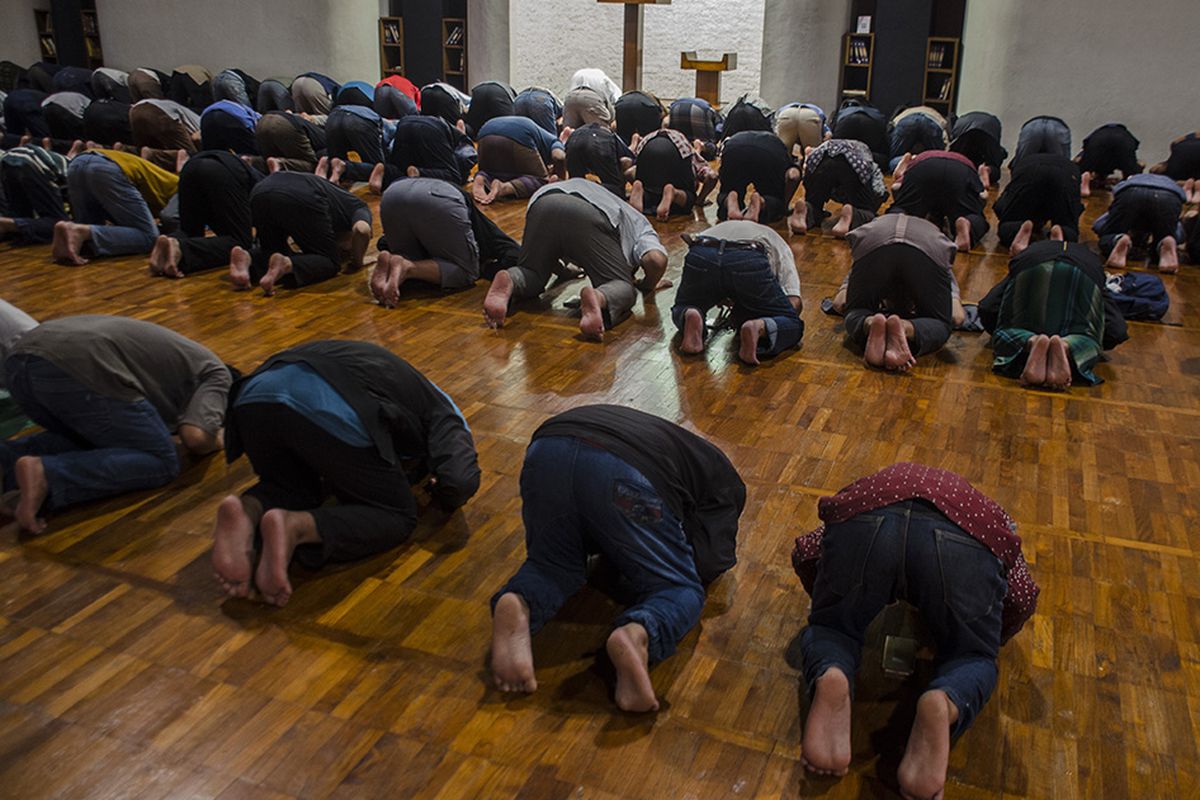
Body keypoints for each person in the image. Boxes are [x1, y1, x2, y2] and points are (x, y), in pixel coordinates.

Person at [791, 462, 1039, 799]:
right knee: (971, 657)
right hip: (963, 545)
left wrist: (831, 607)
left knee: (833, 630)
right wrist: (989, 636)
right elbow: (1022, 597)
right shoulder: (990, 513)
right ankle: (944, 699)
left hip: (866, 522)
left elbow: (806, 552)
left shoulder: (874, 484)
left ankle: (832, 672)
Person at [490, 404, 745, 712]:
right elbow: (707, 563)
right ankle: (637, 633)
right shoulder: (725, 490)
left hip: (548, 449)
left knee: (552, 565)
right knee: (679, 588)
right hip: (625, 477)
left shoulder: (689, 451)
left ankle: (519, 602)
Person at [212, 340, 479, 607]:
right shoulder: (443, 409)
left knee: (292, 486)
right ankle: (296, 527)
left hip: (254, 395)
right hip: (328, 402)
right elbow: (460, 480)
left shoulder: (395, 374)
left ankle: (247, 510)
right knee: (397, 514)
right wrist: (442, 493)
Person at [1, 315, 231, 534]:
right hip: (79, 362)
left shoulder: (184, 364)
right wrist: (221, 436)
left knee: (90, 440)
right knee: (161, 460)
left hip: (22, 359)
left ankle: (6, 461)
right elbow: (197, 438)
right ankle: (48, 474)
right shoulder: (218, 374)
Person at [483, 177, 670, 339]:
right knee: (622, 287)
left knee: (532, 272)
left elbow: (553, 247)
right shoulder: (641, 224)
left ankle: (510, 279)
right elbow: (656, 260)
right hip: (591, 213)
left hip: (543, 201)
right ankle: (599, 297)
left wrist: (564, 272)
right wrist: (647, 285)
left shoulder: (607, 197)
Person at [978, 239, 1128, 389]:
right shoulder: (1092, 260)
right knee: (1094, 335)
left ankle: (1030, 341)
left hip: (1032, 266)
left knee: (1004, 327)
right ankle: (1067, 346)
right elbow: (1116, 330)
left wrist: (998, 326)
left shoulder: (1032, 250)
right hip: (1084, 273)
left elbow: (987, 307)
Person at [371, 177, 520, 305]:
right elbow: (515, 254)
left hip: (394, 192)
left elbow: (382, 242)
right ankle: (407, 266)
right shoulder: (486, 233)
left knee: (410, 255)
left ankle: (396, 263)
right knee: (467, 272)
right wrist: (484, 269)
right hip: (440, 197)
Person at [672, 220, 804, 365]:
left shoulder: (721, 227)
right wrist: (776, 320)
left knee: (685, 304)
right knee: (793, 323)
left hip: (702, 250)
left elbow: (720, 267)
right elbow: (794, 300)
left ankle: (690, 314)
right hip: (747, 256)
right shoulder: (779, 243)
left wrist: (724, 294)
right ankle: (758, 327)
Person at [839, 214, 958, 371]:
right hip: (928, 246)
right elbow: (957, 316)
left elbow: (839, 302)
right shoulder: (941, 260)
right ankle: (905, 327)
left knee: (854, 311)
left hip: (874, 238)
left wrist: (854, 307)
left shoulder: (879, 231)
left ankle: (869, 323)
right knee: (941, 322)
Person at [229, 170, 372, 296]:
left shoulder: (338, 201)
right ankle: (287, 263)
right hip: (302, 196)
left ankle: (247, 257)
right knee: (330, 261)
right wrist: (357, 261)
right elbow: (362, 230)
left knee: (272, 250)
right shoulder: (359, 206)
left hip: (260, 191)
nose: (345, 249)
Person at [52, 148, 178, 265]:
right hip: (109, 168)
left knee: (84, 239)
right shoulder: (179, 187)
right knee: (149, 237)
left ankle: (71, 234)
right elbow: (171, 219)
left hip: (78, 162)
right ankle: (79, 231)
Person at [150, 150, 263, 278]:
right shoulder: (267, 195)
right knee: (240, 242)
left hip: (192, 165)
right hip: (221, 171)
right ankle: (181, 247)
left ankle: (171, 240)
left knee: (190, 232)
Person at [888, 150, 988, 251]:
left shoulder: (916, 161)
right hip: (960, 170)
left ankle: (900, 221)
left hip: (925, 167)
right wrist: (975, 210)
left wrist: (903, 207)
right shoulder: (967, 164)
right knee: (973, 215)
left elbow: (895, 187)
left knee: (903, 208)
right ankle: (968, 227)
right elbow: (983, 196)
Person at [1092, 173, 1187, 272]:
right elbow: (1180, 231)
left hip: (1131, 192)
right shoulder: (1169, 182)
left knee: (1109, 235)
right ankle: (1164, 242)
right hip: (1169, 196)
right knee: (1164, 236)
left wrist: (1108, 231)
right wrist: (1174, 236)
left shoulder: (1132, 179)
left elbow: (1098, 224)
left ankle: (1118, 239)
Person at [792, 138, 886, 236]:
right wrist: (873, 202)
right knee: (866, 209)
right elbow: (878, 189)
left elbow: (808, 176)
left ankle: (806, 210)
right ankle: (852, 215)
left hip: (821, 157)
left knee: (814, 203)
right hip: (853, 163)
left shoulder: (829, 144)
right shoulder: (868, 157)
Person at [992, 153, 1083, 250]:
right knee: (1069, 226)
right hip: (1067, 173)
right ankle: (1062, 233)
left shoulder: (1024, 161)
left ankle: (1018, 231)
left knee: (1009, 222)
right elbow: (1077, 208)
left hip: (1029, 172)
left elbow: (1000, 205)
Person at [472, 114, 565, 204]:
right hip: (518, 136)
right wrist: (562, 183)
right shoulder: (555, 141)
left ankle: (482, 177)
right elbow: (559, 157)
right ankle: (505, 187)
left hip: (485, 133)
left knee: (494, 172)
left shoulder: (541, 133)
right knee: (541, 181)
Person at [628, 128, 717, 219]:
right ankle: (674, 192)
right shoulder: (684, 145)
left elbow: (628, 173)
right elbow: (712, 176)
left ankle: (640, 189)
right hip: (675, 157)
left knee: (650, 189)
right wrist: (699, 200)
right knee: (689, 197)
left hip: (646, 152)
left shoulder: (648, 138)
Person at [716, 130, 800, 224]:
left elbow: (721, 172)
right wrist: (783, 204)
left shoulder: (737, 136)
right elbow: (793, 176)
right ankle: (762, 201)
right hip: (768, 154)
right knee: (773, 196)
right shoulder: (778, 144)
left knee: (727, 190)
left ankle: (729, 200)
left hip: (734, 148)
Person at [369, 113, 463, 193]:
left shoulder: (444, 123)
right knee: (454, 176)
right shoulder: (462, 141)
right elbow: (465, 160)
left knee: (402, 167)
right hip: (430, 131)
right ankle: (419, 173)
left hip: (405, 123)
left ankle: (386, 171)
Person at [0, 143, 70, 245]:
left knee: (20, 222)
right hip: (30, 161)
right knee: (60, 224)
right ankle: (7, 224)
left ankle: (8, 225)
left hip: (11, 159)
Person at [323, 103, 393, 183]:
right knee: (377, 168)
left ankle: (326, 165)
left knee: (335, 160)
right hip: (359, 120)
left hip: (333, 117)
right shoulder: (394, 128)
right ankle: (346, 168)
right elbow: (389, 147)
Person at [565, 122, 634, 198]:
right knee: (615, 187)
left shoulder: (579, 131)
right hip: (598, 142)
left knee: (575, 184)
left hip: (574, 139)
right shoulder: (613, 137)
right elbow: (627, 160)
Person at [129, 98, 200, 170]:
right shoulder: (203, 122)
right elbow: (196, 137)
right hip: (160, 112)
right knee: (192, 158)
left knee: (146, 150)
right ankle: (154, 156)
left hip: (135, 110)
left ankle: (127, 150)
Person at [251, 110, 326, 173]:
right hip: (285, 126)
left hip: (264, 120)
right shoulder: (326, 140)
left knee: (268, 159)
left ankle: (253, 161)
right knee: (313, 165)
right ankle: (281, 164)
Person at [1076, 123, 1141, 194]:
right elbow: (1134, 147)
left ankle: (1084, 184)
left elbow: (1085, 147)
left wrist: (1083, 166)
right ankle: (1130, 185)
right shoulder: (1127, 134)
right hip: (1123, 142)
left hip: (1098, 142)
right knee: (1130, 169)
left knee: (1087, 166)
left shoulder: (1097, 133)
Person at [948, 111, 1006, 187]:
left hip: (964, 128)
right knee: (993, 164)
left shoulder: (959, 120)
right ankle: (988, 170)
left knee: (957, 160)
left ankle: (961, 173)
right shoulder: (993, 121)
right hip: (990, 127)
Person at [887, 106, 948, 172]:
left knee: (894, 159)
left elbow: (890, 133)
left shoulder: (902, 114)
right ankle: (924, 163)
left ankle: (910, 161)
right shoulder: (935, 113)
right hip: (932, 121)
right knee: (939, 161)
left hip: (906, 121)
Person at [832, 100, 888, 169]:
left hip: (846, 121)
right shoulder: (875, 112)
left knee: (835, 154)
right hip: (872, 123)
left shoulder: (842, 110)